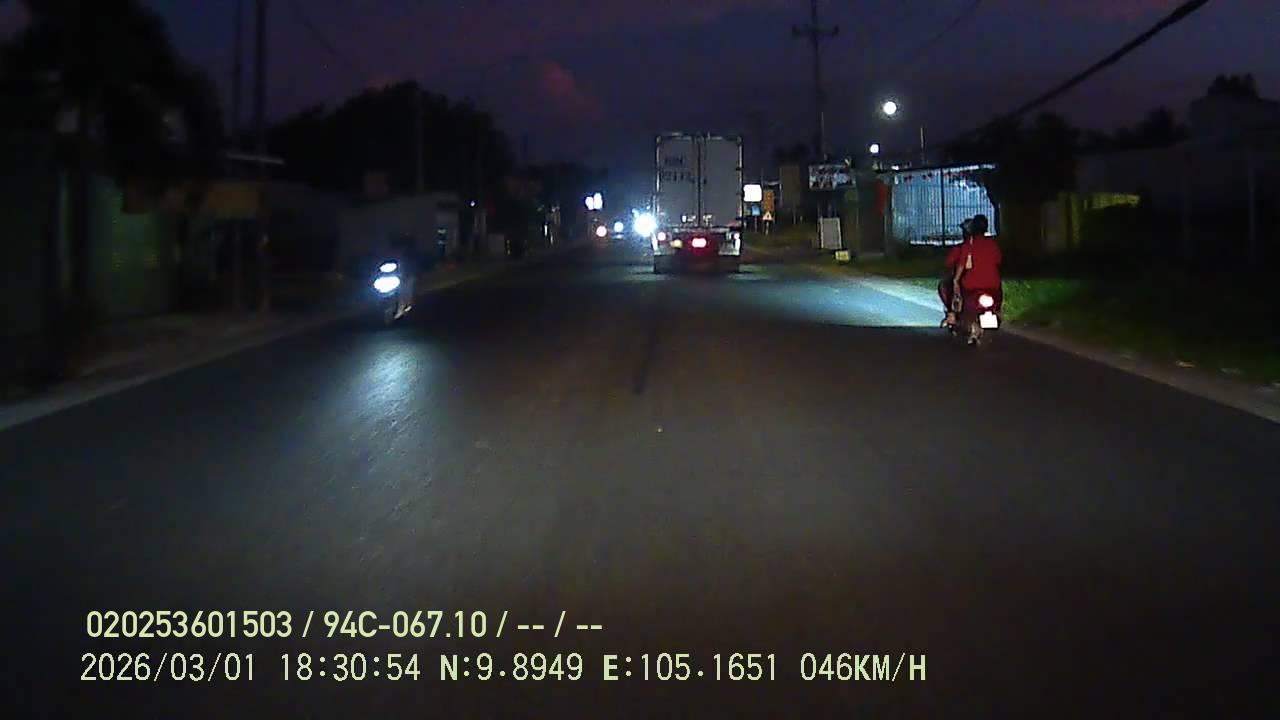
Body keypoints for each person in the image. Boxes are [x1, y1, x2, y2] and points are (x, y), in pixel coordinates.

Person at [939, 214, 1001, 328]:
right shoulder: (993, 244)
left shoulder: (968, 245)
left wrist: (956, 280)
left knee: (952, 290)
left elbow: (960, 264)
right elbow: (998, 261)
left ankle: (953, 316)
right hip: (993, 286)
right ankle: (997, 311)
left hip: (972, 286)